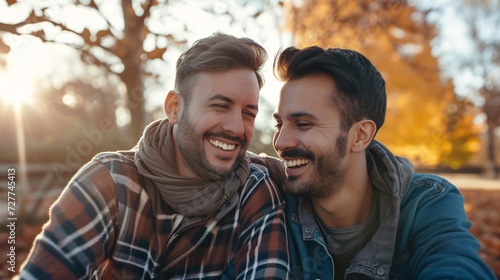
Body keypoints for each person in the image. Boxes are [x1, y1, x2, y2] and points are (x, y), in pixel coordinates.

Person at [18, 33, 290, 279]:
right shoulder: (111, 182)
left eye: (248, 113)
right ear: (174, 108)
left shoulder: (254, 190)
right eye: (220, 106)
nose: (236, 128)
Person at [265, 46, 496, 279]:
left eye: (303, 124)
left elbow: (458, 267)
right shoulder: (269, 196)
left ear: (361, 135)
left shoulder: (426, 203)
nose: (281, 142)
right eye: (279, 124)